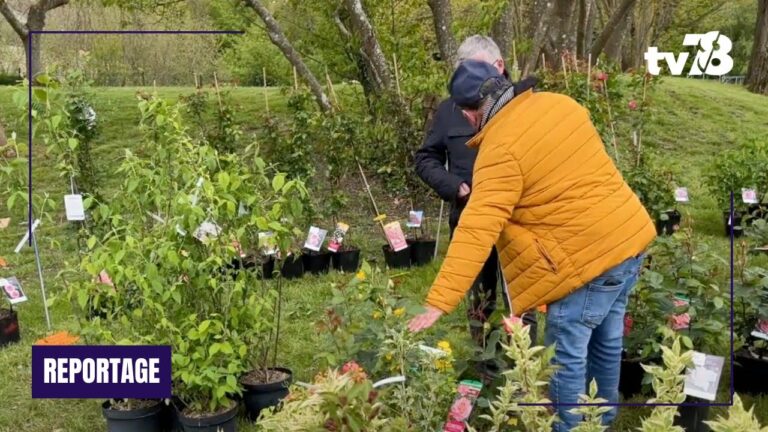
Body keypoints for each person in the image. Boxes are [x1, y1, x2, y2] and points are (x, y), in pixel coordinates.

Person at [408, 59, 656, 431]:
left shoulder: (498, 150)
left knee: (566, 356)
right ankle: (602, 421)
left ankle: (570, 427)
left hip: (583, 266)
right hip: (627, 241)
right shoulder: (562, 105)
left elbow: (477, 228)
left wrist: (439, 300)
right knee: (606, 342)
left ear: (470, 113)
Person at [414, 36, 537, 344]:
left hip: (518, 221)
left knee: (522, 299)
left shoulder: (527, 104)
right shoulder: (449, 109)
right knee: (479, 298)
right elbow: (426, 158)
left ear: (499, 66)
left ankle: (523, 368)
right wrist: (454, 186)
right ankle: (482, 363)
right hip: (470, 216)